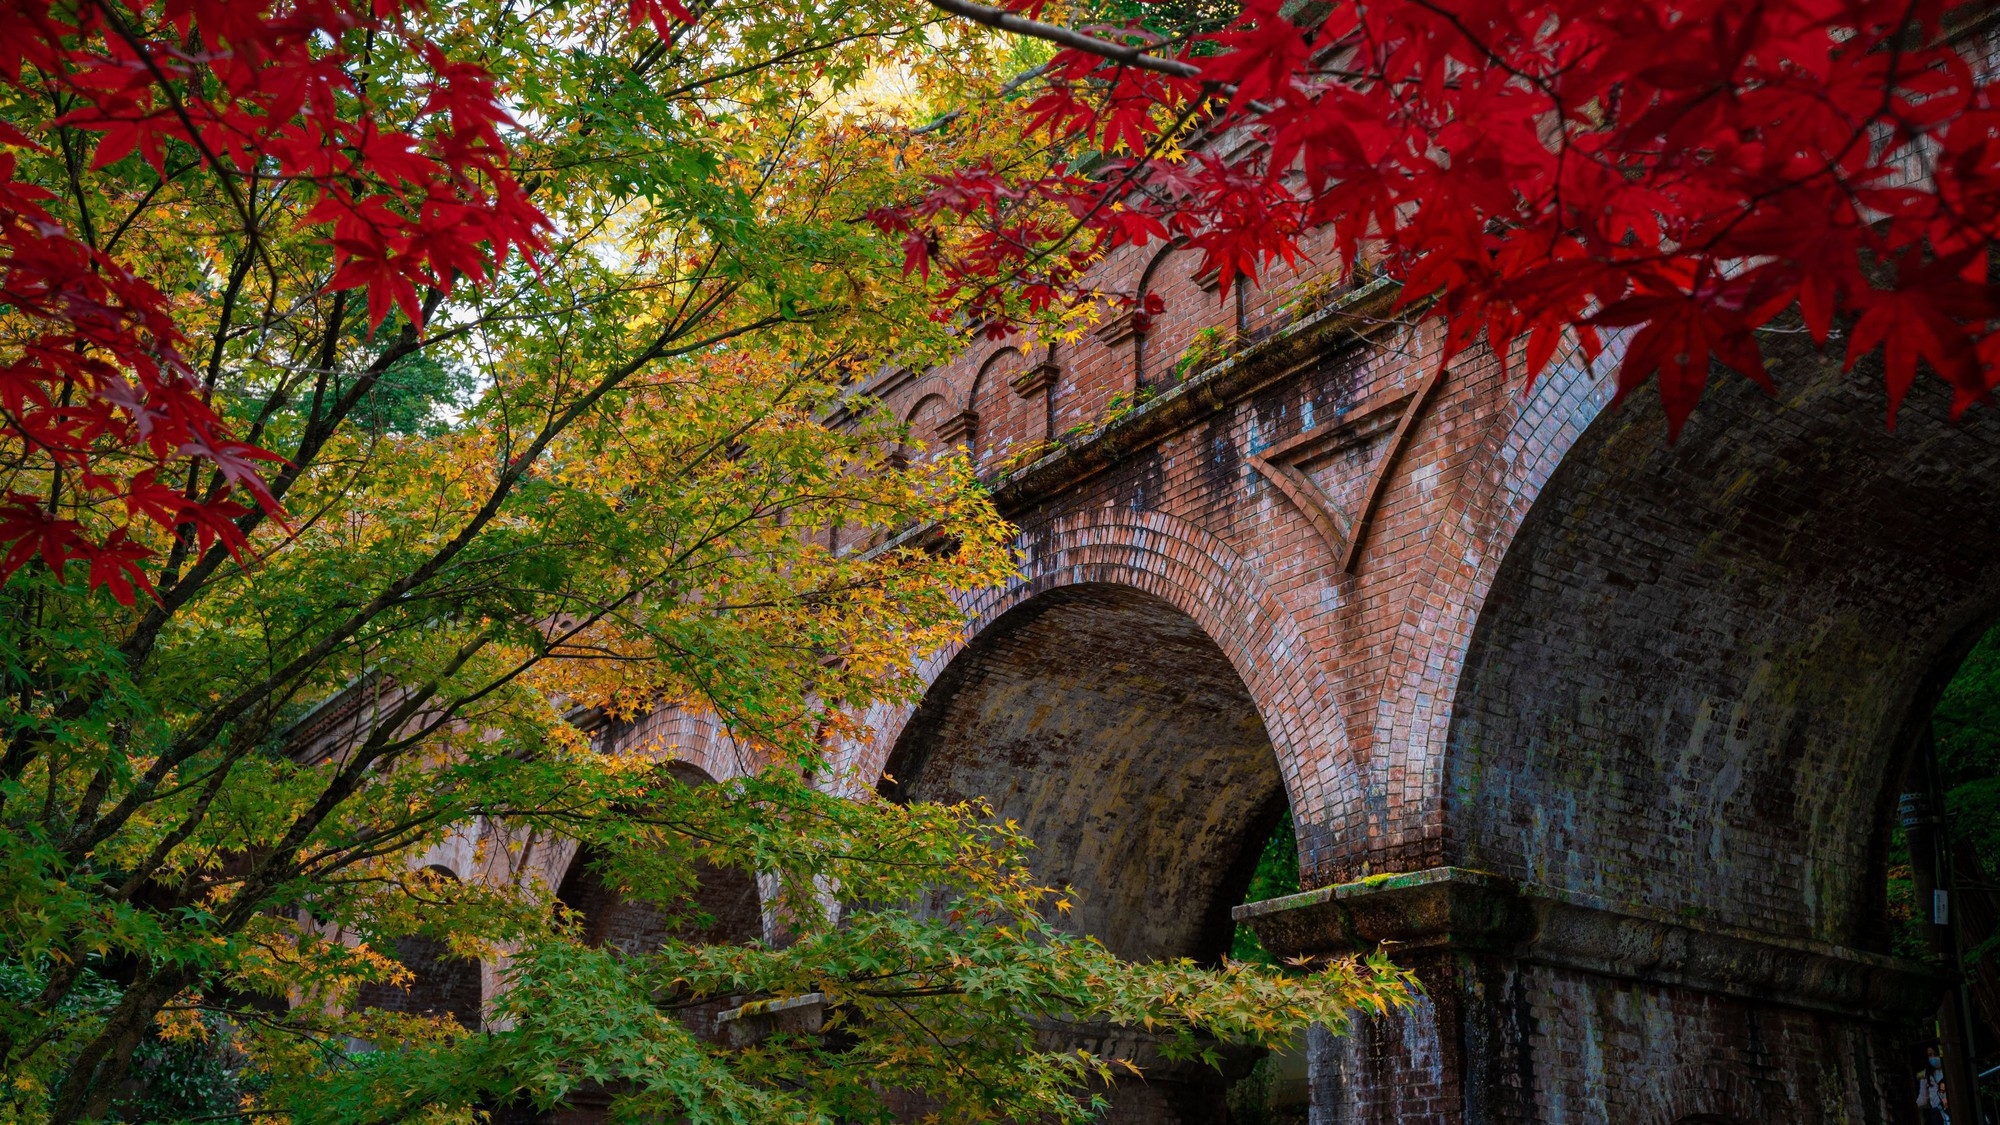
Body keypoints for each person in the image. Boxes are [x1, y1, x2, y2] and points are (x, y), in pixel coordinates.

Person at [1919, 1049, 1951, 1125]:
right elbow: (1923, 1099)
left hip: (1950, 1107)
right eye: (1930, 1055)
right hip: (1937, 1112)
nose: (1933, 1057)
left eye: (1935, 1054)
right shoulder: (1925, 1075)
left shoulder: (1948, 1069)